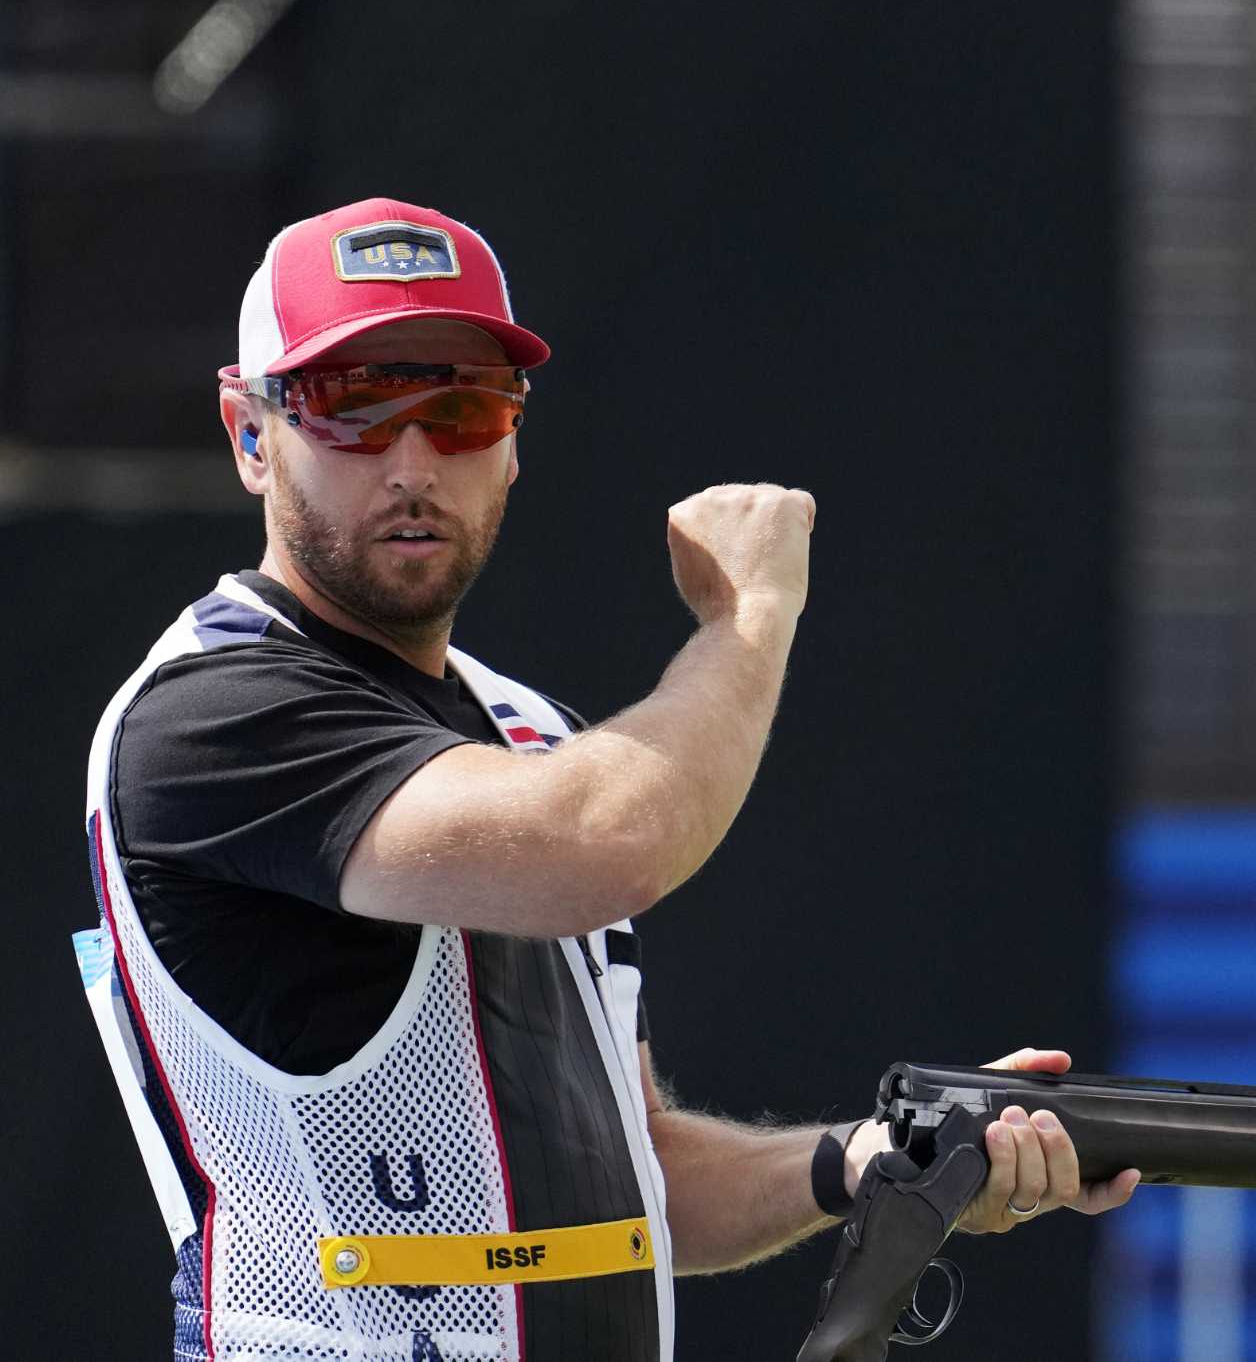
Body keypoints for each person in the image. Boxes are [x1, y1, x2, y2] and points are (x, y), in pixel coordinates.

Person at [75, 197, 1138, 1362]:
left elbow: (643, 1183)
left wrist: (880, 1162)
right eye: (353, 404)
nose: (415, 460)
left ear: (515, 440)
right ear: (249, 432)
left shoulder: (530, 731)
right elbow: (604, 844)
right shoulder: (212, 712)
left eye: (464, 406)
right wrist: (750, 616)